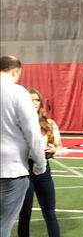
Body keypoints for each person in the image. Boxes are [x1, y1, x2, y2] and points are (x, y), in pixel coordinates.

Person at [0, 56, 46, 237]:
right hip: (12, 170)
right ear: (15, 71)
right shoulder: (18, 92)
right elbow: (32, 133)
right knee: (3, 224)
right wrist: (40, 164)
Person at [17, 89, 61, 237]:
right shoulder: (17, 124)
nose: (34, 103)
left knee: (50, 213)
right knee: (25, 214)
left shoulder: (49, 124)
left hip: (43, 171)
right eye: (30, 100)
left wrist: (52, 151)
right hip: (24, 170)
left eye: (37, 100)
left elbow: (58, 147)